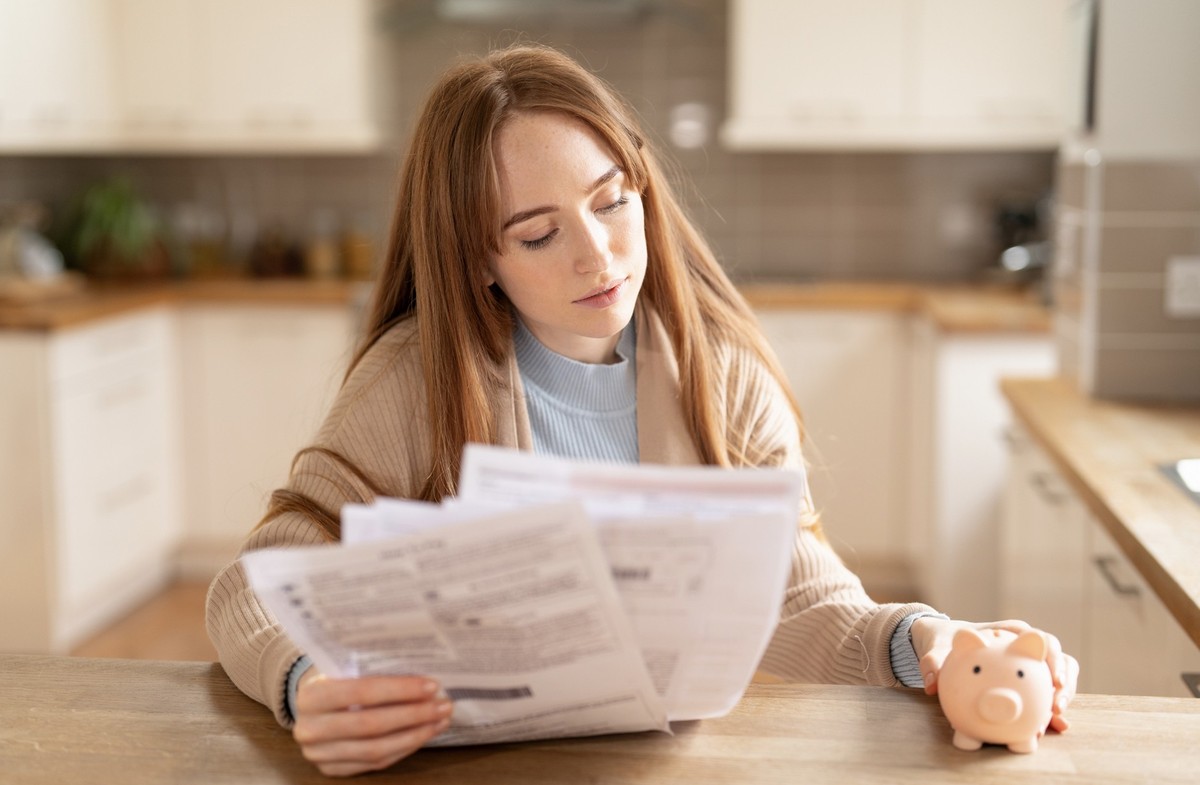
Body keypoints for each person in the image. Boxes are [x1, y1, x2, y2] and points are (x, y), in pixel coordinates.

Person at [206, 44, 1079, 778]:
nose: (600, 255)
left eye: (613, 200)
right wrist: (301, 682)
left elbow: (804, 603)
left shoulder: (722, 374)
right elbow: (252, 584)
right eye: (539, 234)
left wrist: (932, 641)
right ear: (480, 259)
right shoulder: (416, 379)